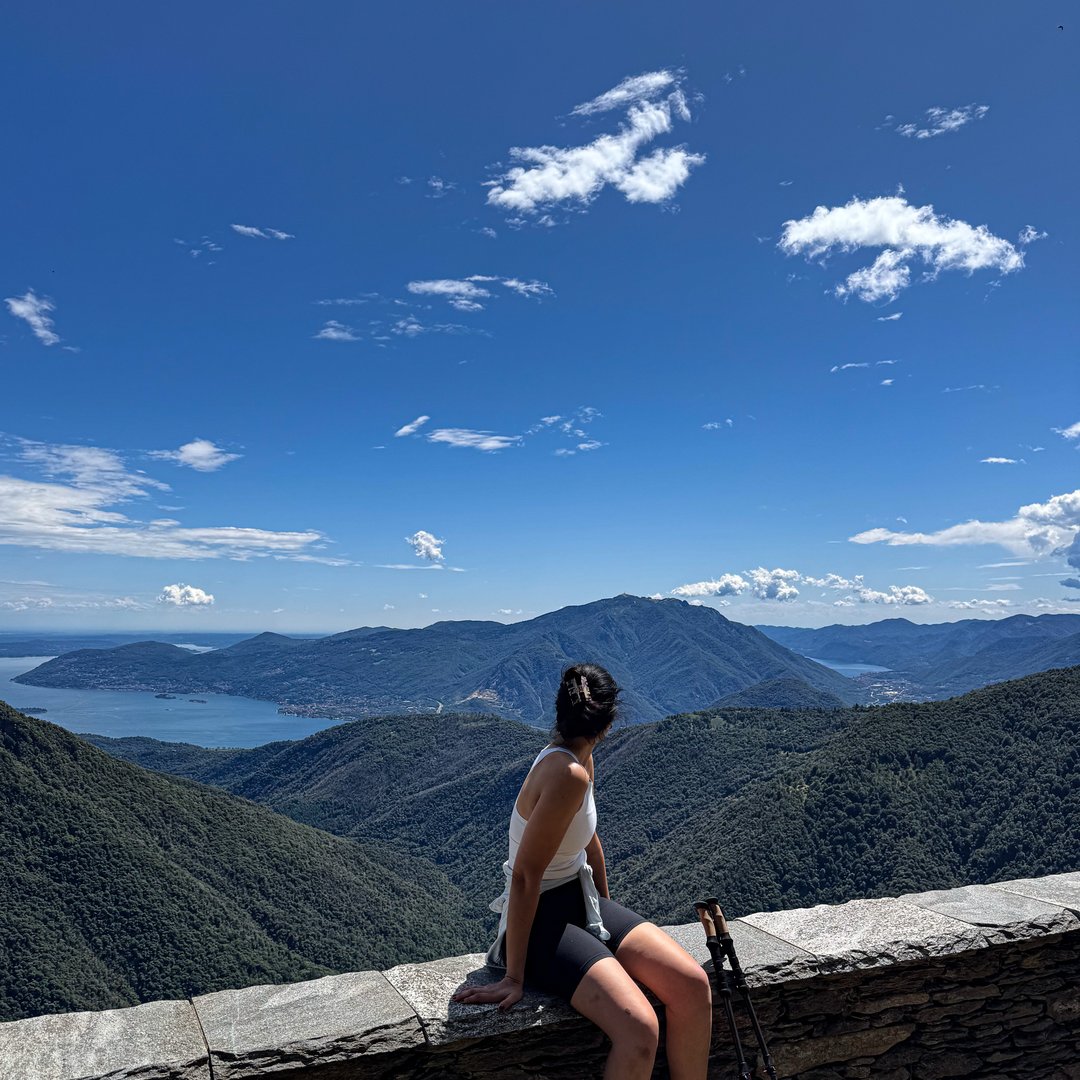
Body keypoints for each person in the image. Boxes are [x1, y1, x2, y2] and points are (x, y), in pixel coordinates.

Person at [452, 663, 712, 1079]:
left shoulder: (581, 761)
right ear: (609, 722)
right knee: (640, 1029)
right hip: (539, 920)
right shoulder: (566, 773)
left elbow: (589, 841)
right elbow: (525, 877)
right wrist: (514, 977)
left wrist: (607, 912)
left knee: (693, 985)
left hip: (580, 898)